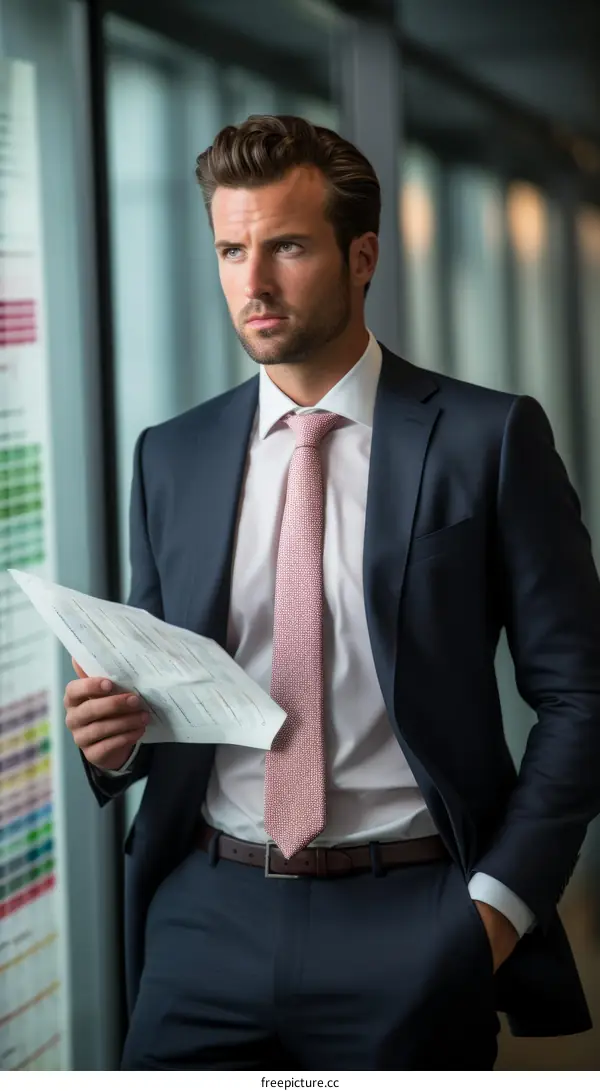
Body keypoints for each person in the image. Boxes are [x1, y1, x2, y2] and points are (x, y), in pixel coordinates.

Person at [64, 114, 600, 1071]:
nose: (253, 282)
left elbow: (581, 693)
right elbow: (166, 690)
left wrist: (496, 911)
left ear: (363, 257)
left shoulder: (489, 438)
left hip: (415, 914)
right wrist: (116, 737)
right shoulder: (171, 454)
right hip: (204, 915)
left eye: (288, 247)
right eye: (232, 249)